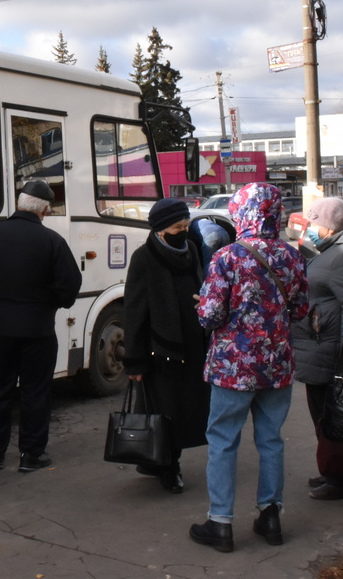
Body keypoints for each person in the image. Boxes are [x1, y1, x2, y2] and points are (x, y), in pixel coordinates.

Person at [189, 183, 309, 552]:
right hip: (277, 364)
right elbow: (301, 310)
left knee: (224, 441)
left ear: (240, 213)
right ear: (274, 212)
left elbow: (209, 316)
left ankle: (220, 522)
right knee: (271, 440)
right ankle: (270, 515)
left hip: (233, 367)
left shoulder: (227, 257)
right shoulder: (291, 256)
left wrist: (201, 304)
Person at [0, 180, 83, 473]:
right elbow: (70, 285)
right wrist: (52, 303)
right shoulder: (52, 241)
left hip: (1, 329)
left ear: (19, 203)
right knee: (35, 392)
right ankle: (31, 455)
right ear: (44, 208)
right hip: (38, 330)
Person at [122, 198, 218, 493]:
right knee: (165, 411)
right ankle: (168, 467)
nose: (185, 231)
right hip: (160, 349)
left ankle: (157, 460)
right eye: (178, 227)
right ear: (161, 230)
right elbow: (135, 313)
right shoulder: (144, 259)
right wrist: (134, 361)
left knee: (187, 409)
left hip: (192, 346)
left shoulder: (189, 250)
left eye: (187, 225)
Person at [293, 197, 343, 501]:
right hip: (321, 346)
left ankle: (341, 479)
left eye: (313, 223)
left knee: (331, 415)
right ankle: (334, 470)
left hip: (329, 352)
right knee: (324, 414)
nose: (310, 229)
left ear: (328, 227)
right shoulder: (335, 249)